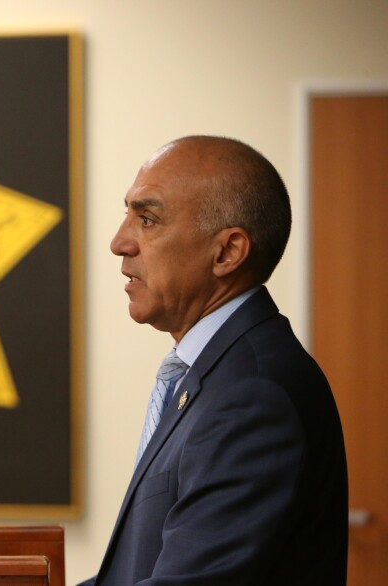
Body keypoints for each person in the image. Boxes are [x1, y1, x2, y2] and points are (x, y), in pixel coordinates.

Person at [79, 136, 348, 585]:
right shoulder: (217, 373)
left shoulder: (251, 398)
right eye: (127, 214)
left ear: (226, 252)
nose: (119, 242)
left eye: (146, 219)